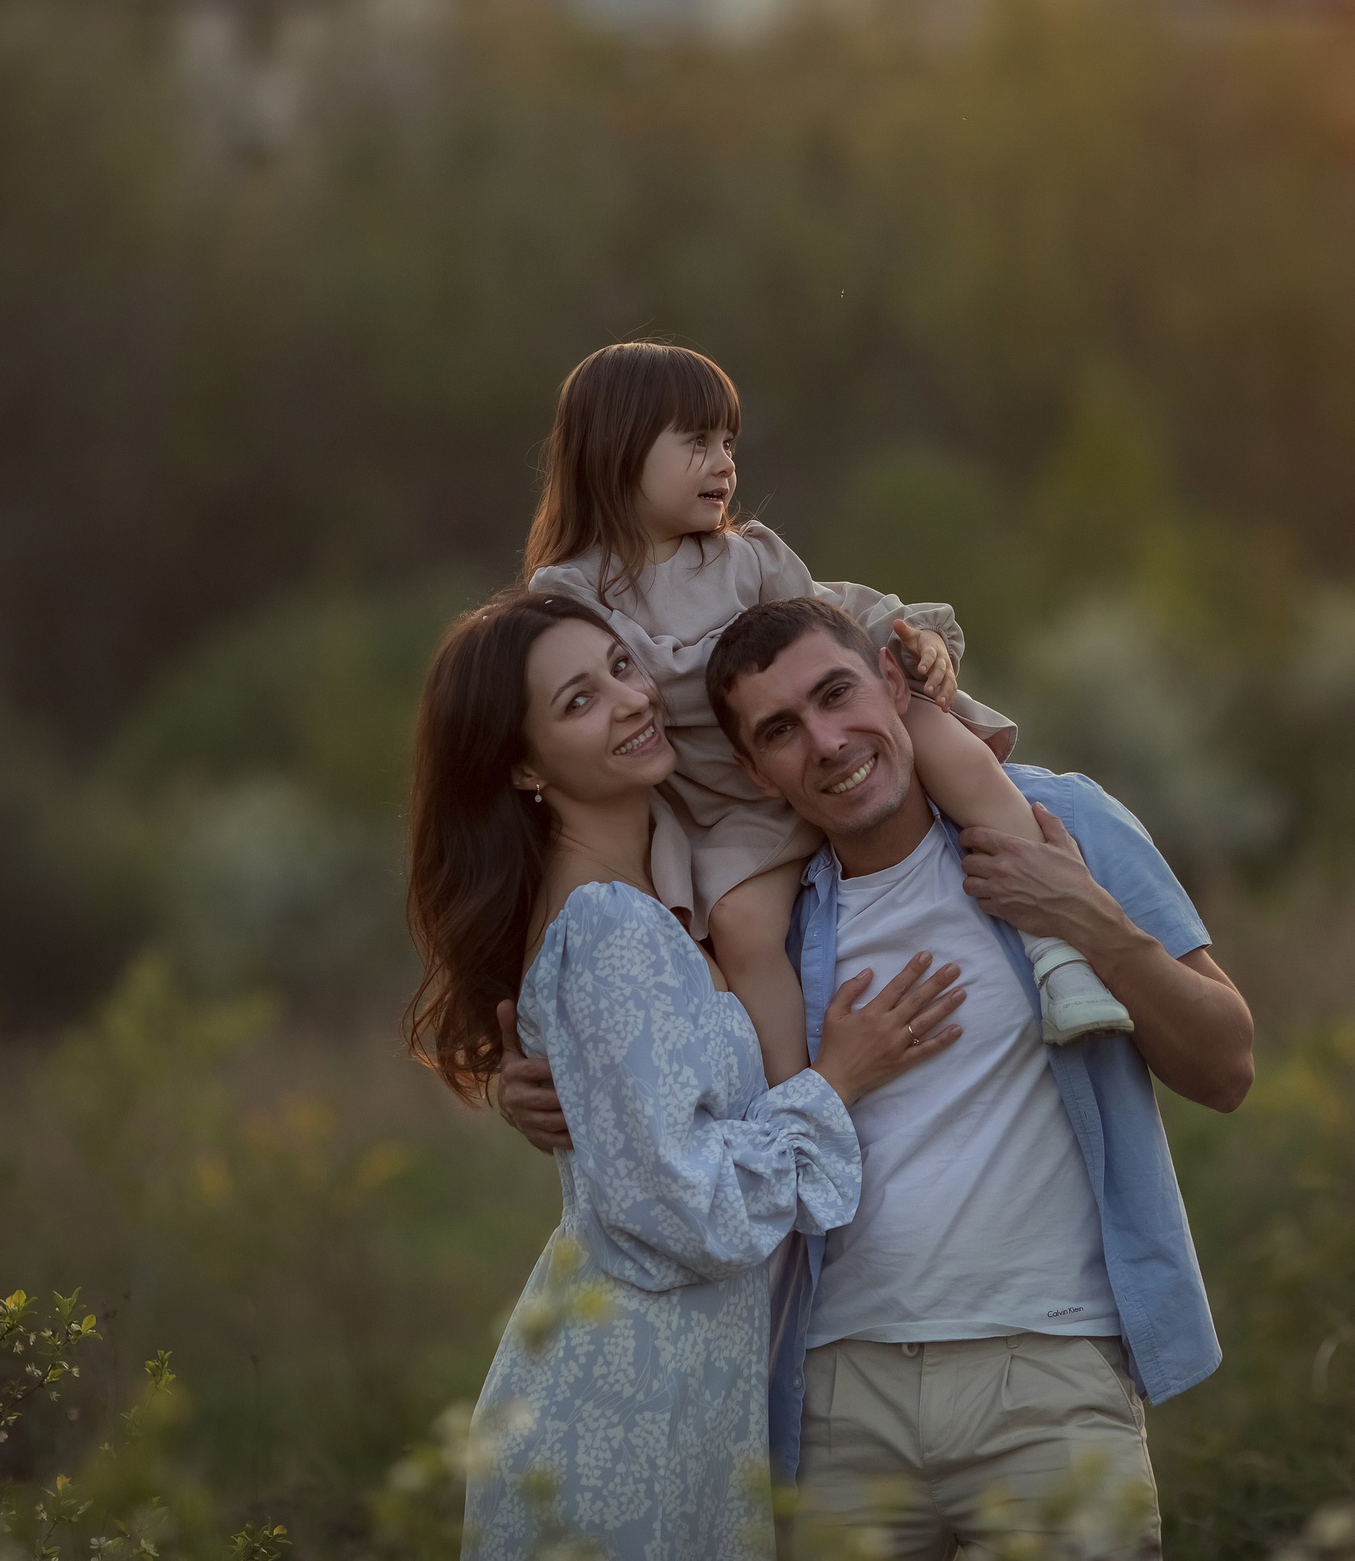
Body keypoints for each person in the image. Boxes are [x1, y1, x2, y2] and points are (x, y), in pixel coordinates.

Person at [500, 597, 1255, 1559]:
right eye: (781, 730)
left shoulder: (1053, 821)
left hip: (1051, 1376)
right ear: (752, 770)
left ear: (894, 686)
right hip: (832, 1400)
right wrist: (532, 1092)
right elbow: (663, 1116)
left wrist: (1092, 923)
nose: (826, 740)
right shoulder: (761, 933)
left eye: (838, 693)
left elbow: (1226, 1063)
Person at [404, 590, 974, 1560]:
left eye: (623, 670)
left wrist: (924, 648)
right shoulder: (611, 928)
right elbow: (684, 1206)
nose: (631, 701)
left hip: (682, 1397)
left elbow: (783, 612)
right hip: (626, 1400)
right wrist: (835, 1080)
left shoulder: (650, 909)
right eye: (578, 702)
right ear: (525, 766)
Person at [524, 341, 1137, 1067]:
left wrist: (919, 639)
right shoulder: (571, 592)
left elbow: (826, 627)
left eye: (728, 442)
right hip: (733, 809)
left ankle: (1059, 955)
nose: (724, 462)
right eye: (697, 442)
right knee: (743, 925)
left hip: (838, 751)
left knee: (944, 740)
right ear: (616, 450)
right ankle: (795, 1100)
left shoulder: (745, 556)